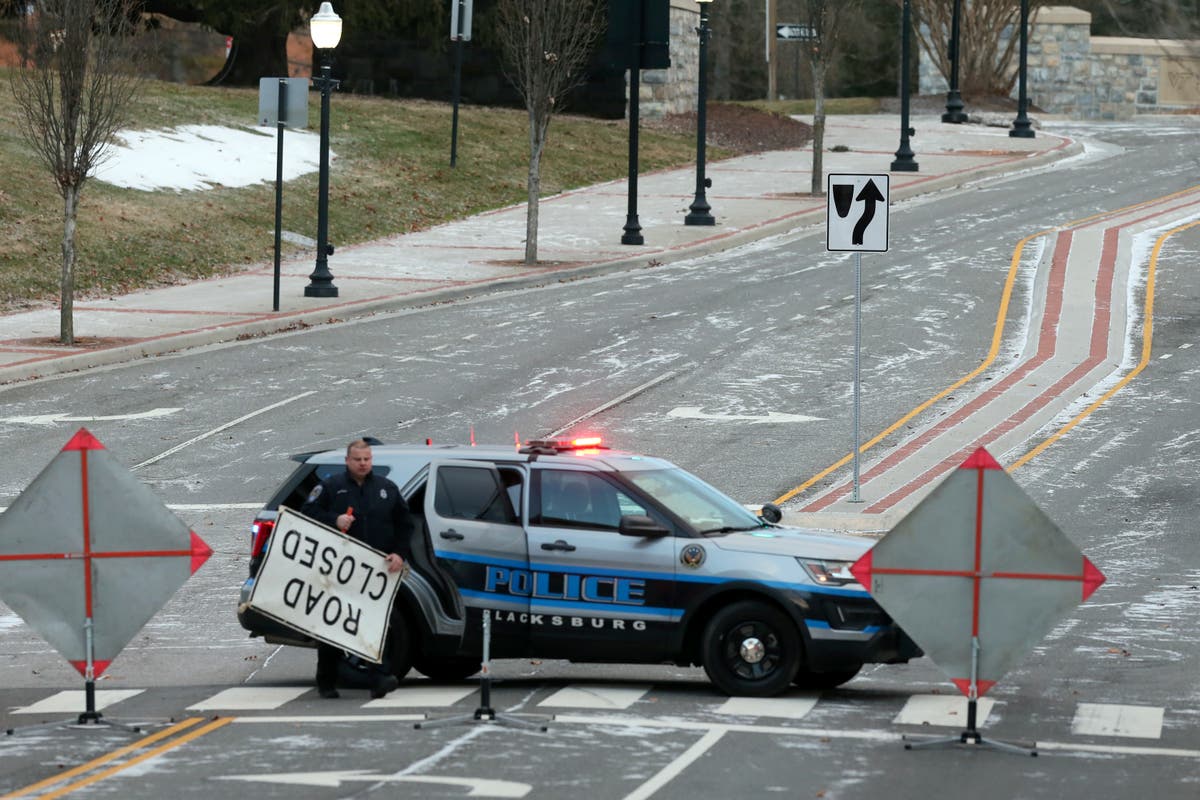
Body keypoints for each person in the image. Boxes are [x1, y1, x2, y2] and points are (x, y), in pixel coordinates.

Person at [300, 438, 412, 699]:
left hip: (375, 572)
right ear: (347, 461)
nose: (363, 464)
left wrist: (399, 553)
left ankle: (379, 679)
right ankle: (326, 680)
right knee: (334, 625)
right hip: (338, 569)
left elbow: (405, 525)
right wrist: (334, 519)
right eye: (358, 459)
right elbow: (307, 513)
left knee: (372, 625)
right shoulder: (331, 487)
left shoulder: (387, 488)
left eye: (367, 459)